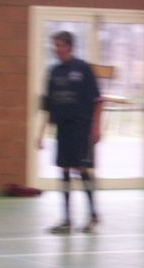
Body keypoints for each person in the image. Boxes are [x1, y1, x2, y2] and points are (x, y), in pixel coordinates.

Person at [37, 31, 102, 234]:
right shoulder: (53, 72)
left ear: (69, 47)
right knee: (63, 170)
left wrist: (96, 127)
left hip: (81, 128)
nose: (56, 49)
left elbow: (98, 100)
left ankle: (93, 215)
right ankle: (66, 219)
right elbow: (48, 106)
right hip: (62, 128)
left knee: (81, 170)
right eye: (54, 45)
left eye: (59, 45)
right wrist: (40, 133)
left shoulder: (83, 69)